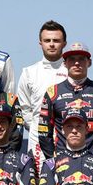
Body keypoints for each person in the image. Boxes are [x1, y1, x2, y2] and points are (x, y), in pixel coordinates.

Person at [38, 42, 93, 159]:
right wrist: (52, 159)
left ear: (89, 62)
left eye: (81, 59)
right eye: (72, 59)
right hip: (62, 160)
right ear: (65, 63)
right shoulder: (52, 92)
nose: (76, 63)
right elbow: (44, 131)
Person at [17, 20, 69, 168]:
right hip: (37, 137)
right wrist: (36, 126)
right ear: (40, 43)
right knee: (38, 184)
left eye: (56, 40)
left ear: (64, 43)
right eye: (47, 40)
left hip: (67, 136)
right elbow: (24, 108)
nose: (52, 44)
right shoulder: (29, 72)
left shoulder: (72, 71)